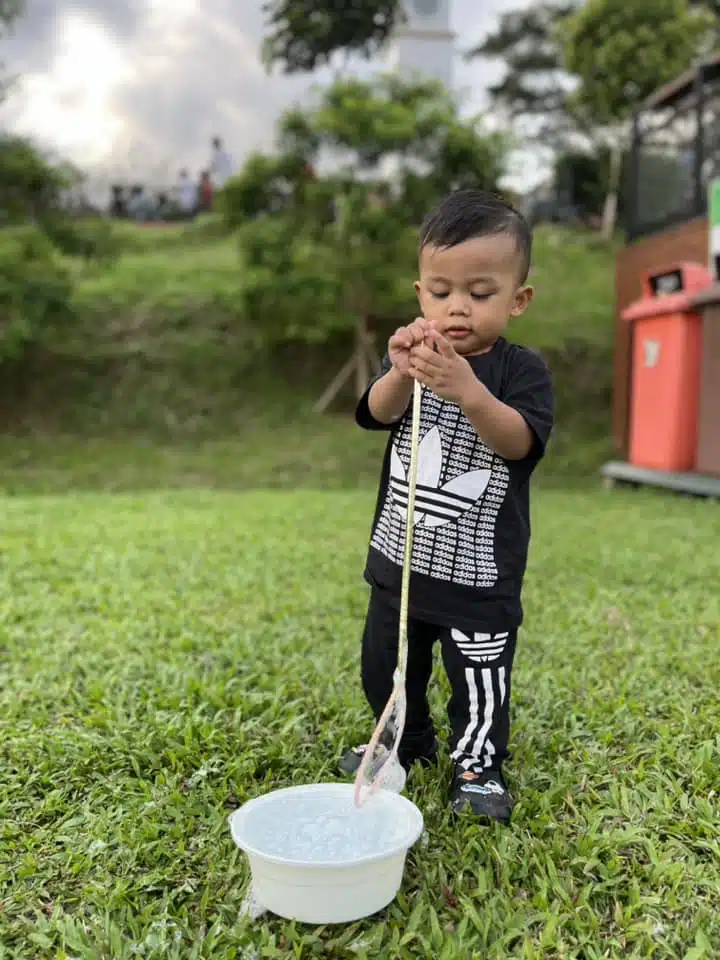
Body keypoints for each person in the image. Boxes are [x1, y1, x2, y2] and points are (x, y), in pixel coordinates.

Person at [340, 189, 555, 825]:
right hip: (401, 561)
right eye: (440, 291)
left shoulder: (521, 371)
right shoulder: (416, 357)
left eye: (480, 292)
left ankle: (478, 761)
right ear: (420, 294)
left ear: (518, 298)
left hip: (478, 575)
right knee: (385, 665)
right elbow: (374, 413)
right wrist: (402, 372)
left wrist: (466, 388)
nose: (456, 307)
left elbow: (519, 443)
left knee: (479, 680)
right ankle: (405, 740)